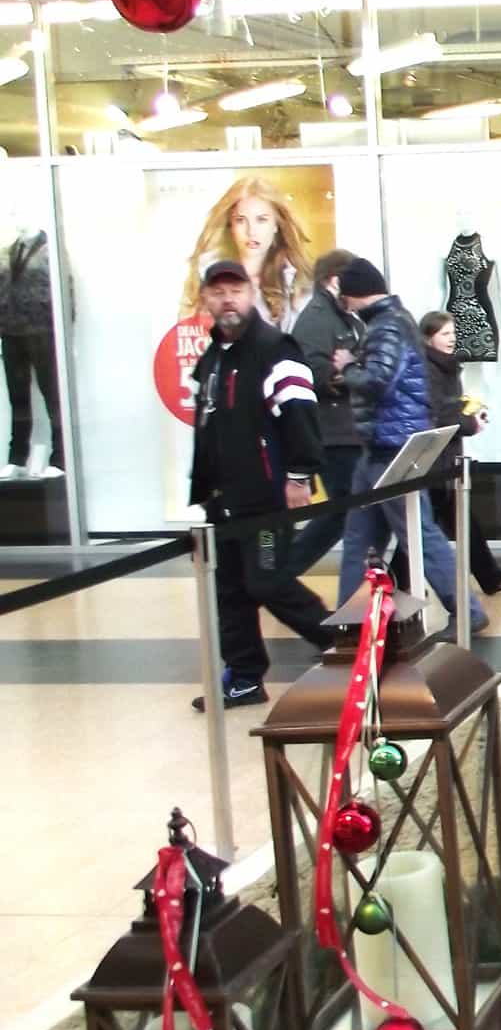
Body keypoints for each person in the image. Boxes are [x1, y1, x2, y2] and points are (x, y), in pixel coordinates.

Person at [187, 259, 332, 708]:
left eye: (235, 290)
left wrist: (299, 476)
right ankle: (245, 678)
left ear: (250, 294)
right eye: (218, 292)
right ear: (206, 299)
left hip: (265, 499)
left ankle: (344, 641)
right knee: (229, 591)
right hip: (223, 501)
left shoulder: (275, 349)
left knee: (267, 582)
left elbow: (301, 414)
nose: (227, 299)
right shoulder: (213, 357)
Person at [331, 259, 487, 634]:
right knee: (361, 538)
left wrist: (347, 367)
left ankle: (467, 611)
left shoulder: (386, 326)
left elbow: (378, 379)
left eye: (343, 295)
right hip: (385, 444)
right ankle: (350, 622)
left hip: (392, 446)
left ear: (353, 294)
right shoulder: (394, 321)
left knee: (418, 535)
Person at [410, 308, 501, 595]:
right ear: (429, 337)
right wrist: (469, 422)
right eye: (444, 333)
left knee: (447, 522)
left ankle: (490, 576)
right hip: (434, 460)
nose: (451, 338)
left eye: (453, 333)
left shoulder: (446, 367)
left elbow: (447, 408)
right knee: (426, 526)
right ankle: (399, 582)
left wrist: (468, 411)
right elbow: (437, 413)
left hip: (446, 459)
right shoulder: (428, 369)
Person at [283, 248, 365, 576]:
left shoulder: (342, 317)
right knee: (342, 510)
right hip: (334, 433)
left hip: (349, 430)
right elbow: (311, 372)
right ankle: (283, 572)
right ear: (334, 281)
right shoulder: (317, 319)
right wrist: (351, 372)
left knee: (354, 510)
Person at [180, 177, 317, 329]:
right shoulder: (204, 275)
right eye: (240, 220)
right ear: (230, 226)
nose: (251, 231)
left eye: (261, 220)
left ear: (276, 225)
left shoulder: (297, 282)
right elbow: (186, 334)